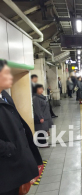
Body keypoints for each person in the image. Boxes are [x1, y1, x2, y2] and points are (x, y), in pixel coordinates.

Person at [0, 60, 43, 195]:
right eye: (6, 73)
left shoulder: (5, 96)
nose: (11, 76)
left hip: (16, 165)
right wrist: (10, 149)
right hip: (5, 170)